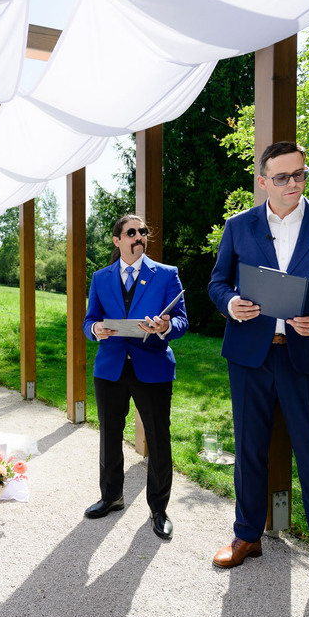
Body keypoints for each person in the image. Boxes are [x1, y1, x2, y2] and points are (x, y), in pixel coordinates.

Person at [207, 141, 309, 612]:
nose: (293, 184)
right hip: (251, 357)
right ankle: (246, 537)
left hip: (308, 358)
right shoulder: (238, 226)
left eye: (299, 174)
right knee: (248, 451)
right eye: (281, 177)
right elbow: (218, 281)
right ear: (262, 181)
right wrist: (230, 304)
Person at [82, 215, 188, 540]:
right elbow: (89, 322)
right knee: (109, 436)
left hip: (152, 368)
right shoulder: (101, 278)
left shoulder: (167, 274)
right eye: (132, 232)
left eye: (143, 232)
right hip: (111, 367)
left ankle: (159, 509)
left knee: (158, 438)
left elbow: (182, 320)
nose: (139, 236)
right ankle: (111, 497)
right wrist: (96, 330)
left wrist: (165, 326)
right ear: (117, 240)